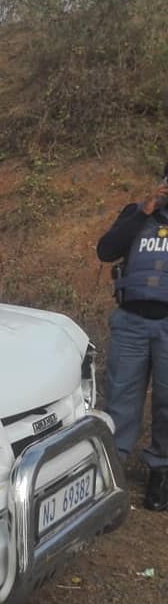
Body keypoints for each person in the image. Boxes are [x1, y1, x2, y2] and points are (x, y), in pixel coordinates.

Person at [97, 164, 168, 511]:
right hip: (131, 322)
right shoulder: (137, 213)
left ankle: (160, 473)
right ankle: (113, 471)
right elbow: (106, 250)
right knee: (120, 399)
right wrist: (144, 210)